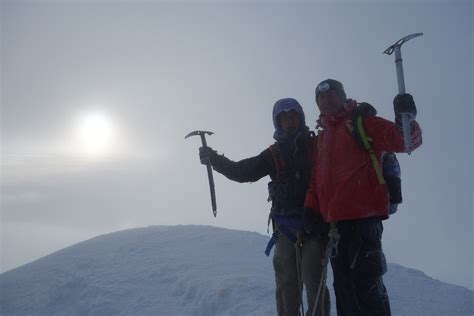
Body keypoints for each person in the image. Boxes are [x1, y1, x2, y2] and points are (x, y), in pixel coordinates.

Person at [199, 98, 330, 316]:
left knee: (313, 279)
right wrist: (214, 159)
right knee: (287, 285)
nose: (290, 121)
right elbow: (242, 171)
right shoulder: (274, 153)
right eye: (284, 118)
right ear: (277, 123)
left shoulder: (317, 145)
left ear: (301, 118)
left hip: (315, 227)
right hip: (286, 229)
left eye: (294, 116)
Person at [304, 79, 422, 316]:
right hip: (336, 227)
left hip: (364, 220)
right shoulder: (322, 139)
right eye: (321, 98)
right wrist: (310, 209)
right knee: (344, 290)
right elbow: (317, 181)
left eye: (331, 95)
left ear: (342, 96)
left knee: (365, 285)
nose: (326, 101)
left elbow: (404, 140)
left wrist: (405, 119)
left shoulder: (361, 122)